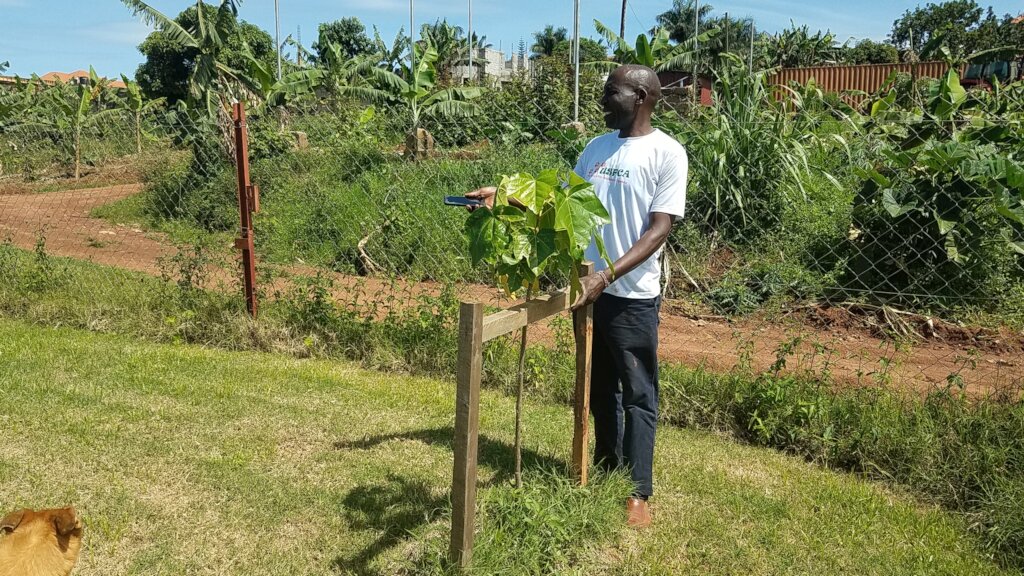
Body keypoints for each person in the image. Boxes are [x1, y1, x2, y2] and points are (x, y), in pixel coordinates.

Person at [467, 64, 688, 528]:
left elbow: (660, 229)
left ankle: (638, 492)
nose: (602, 100)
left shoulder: (668, 153)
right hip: (587, 289)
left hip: (629, 293)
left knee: (638, 392)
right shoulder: (596, 148)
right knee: (597, 386)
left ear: (642, 97)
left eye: (612, 93)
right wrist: (504, 196)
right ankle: (608, 467)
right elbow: (561, 201)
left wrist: (604, 277)